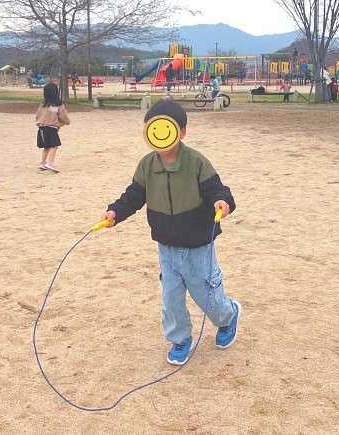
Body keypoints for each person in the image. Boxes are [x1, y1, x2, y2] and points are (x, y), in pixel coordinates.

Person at [102, 99, 241, 366]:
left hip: (198, 244)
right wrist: (115, 212)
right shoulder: (146, 165)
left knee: (207, 295)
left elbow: (218, 190)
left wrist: (223, 202)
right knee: (171, 298)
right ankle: (180, 338)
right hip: (166, 245)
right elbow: (134, 196)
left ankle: (228, 316)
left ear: (182, 132)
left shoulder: (196, 162)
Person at [35, 83, 70, 173]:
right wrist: (67, 121)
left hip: (41, 129)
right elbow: (62, 116)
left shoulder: (43, 104)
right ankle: (50, 163)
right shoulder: (58, 105)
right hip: (51, 128)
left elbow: (37, 115)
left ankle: (42, 163)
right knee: (54, 145)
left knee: (46, 146)